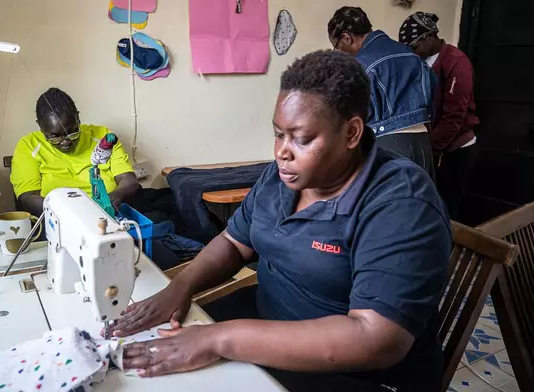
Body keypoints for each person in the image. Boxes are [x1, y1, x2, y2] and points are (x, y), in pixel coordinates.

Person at [107, 50, 451, 392]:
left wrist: (219, 339)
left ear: (351, 134)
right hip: (265, 325)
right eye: (278, 134)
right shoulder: (282, 177)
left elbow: (376, 339)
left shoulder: (401, 201)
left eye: (301, 139)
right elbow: (232, 242)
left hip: (354, 372)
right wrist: (180, 288)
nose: (281, 152)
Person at [327, 6, 437, 181]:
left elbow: (356, 119)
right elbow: (434, 99)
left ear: (346, 38)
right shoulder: (411, 55)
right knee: (420, 204)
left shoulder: (362, 66)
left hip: (389, 146)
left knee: (392, 205)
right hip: (423, 144)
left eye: (337, 48)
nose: (340, 54)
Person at [10, 88, 140, 217]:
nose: (65, 142)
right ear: (40, 126)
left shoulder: (103, 138)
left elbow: (129, 180)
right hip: (58, 218)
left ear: (78, 118)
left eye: (72, 132)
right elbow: (27, 198)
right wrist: (70, 214)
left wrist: (112, 199)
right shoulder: (28, 146)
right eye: (55, 137)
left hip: (108, 214)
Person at [399, 12, 480, 220]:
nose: (412, 53)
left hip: (455, 150)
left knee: (448, 209)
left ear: (429, 38)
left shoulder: (456, 62)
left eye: (414, 47)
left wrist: (430, 150)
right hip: (432, 147)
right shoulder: (420, 62)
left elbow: (454, 117)